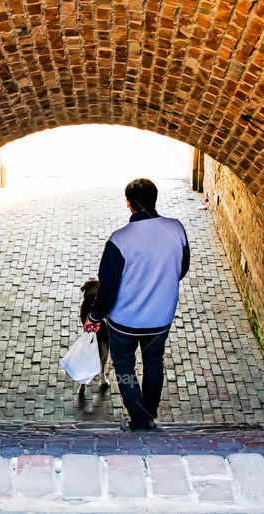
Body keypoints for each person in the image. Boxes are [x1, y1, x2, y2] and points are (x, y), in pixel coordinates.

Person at [84, 178, 190, 431]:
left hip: (125, 322)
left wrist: (95, 316)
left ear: (129, 205)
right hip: (160, 317)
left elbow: (107, 288)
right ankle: (149, 414)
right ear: (155, 199)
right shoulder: (176, 229)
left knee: (124, 367)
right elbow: (181, 269)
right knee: (154, 362)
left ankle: (140, 420)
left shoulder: (120, 240)